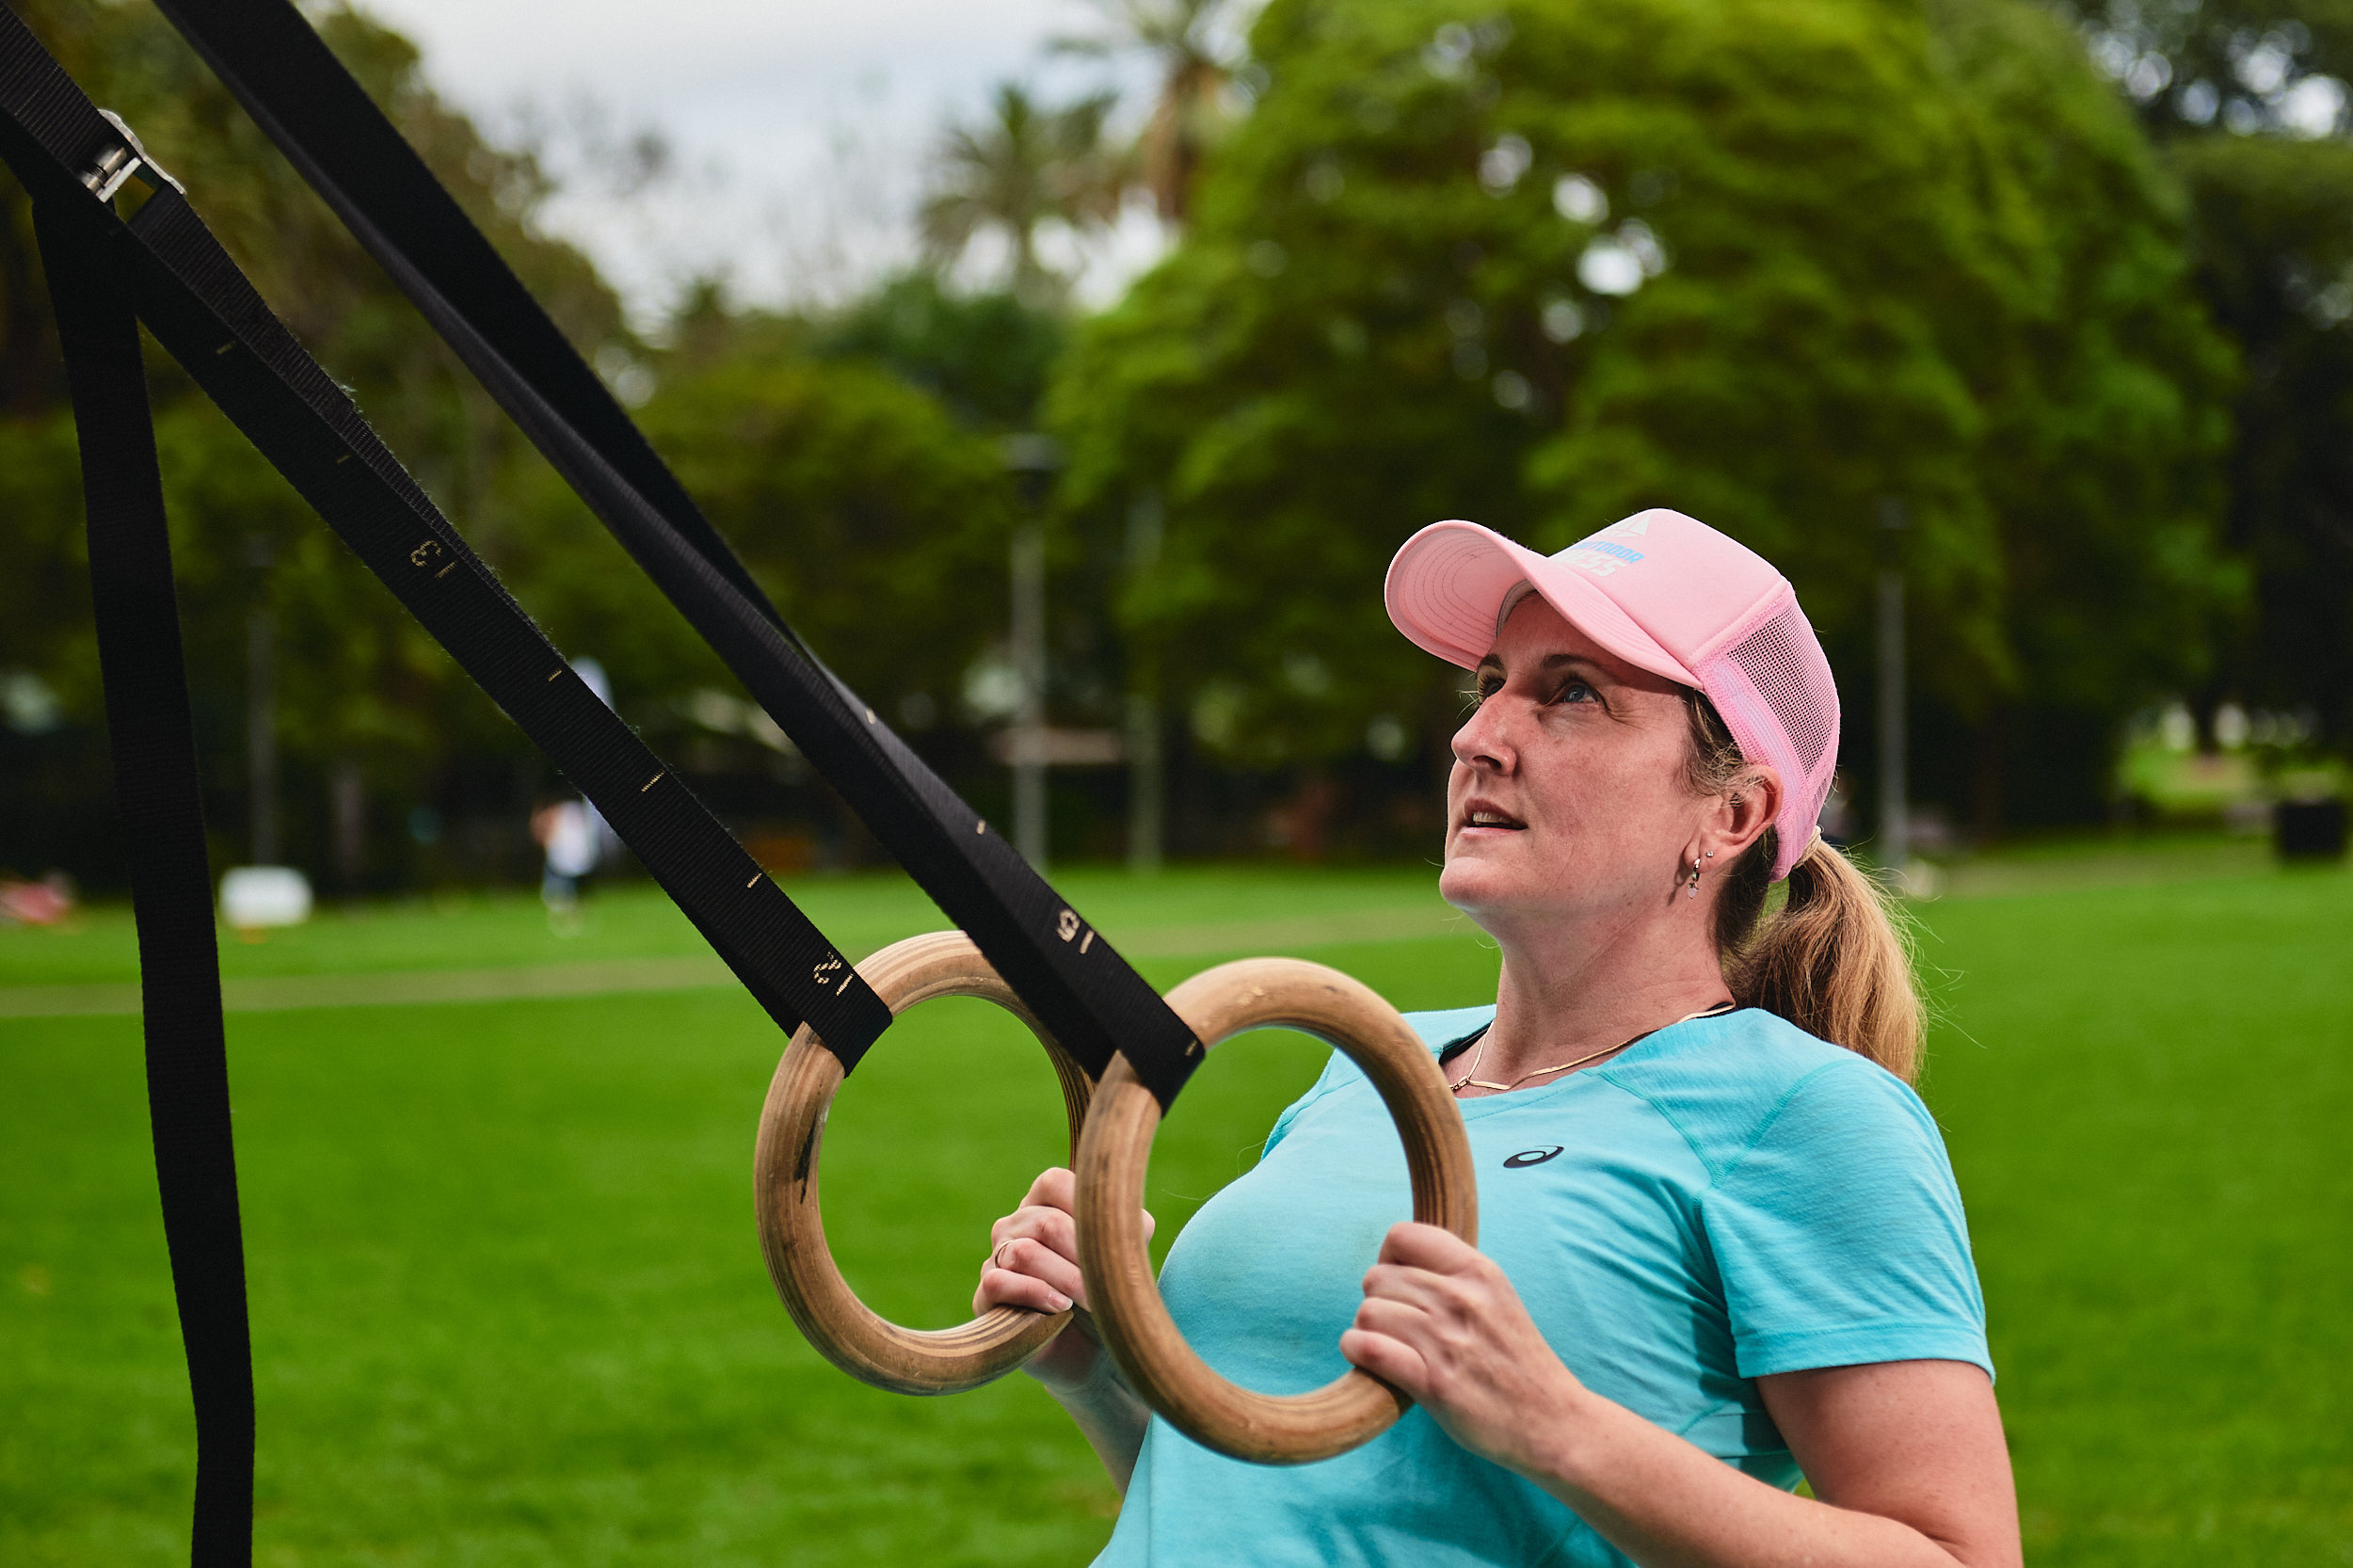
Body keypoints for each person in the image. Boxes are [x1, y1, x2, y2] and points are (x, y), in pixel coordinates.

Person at [975, 510, 2018, 1567]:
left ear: (1733, 814)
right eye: (1488, 684)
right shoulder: (1373, 1065)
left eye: (1573, 694)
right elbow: (1270, 1512)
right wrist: (1099, 1368)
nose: (1476, 737)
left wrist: (1558, 1427)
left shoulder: (1807, 1115)